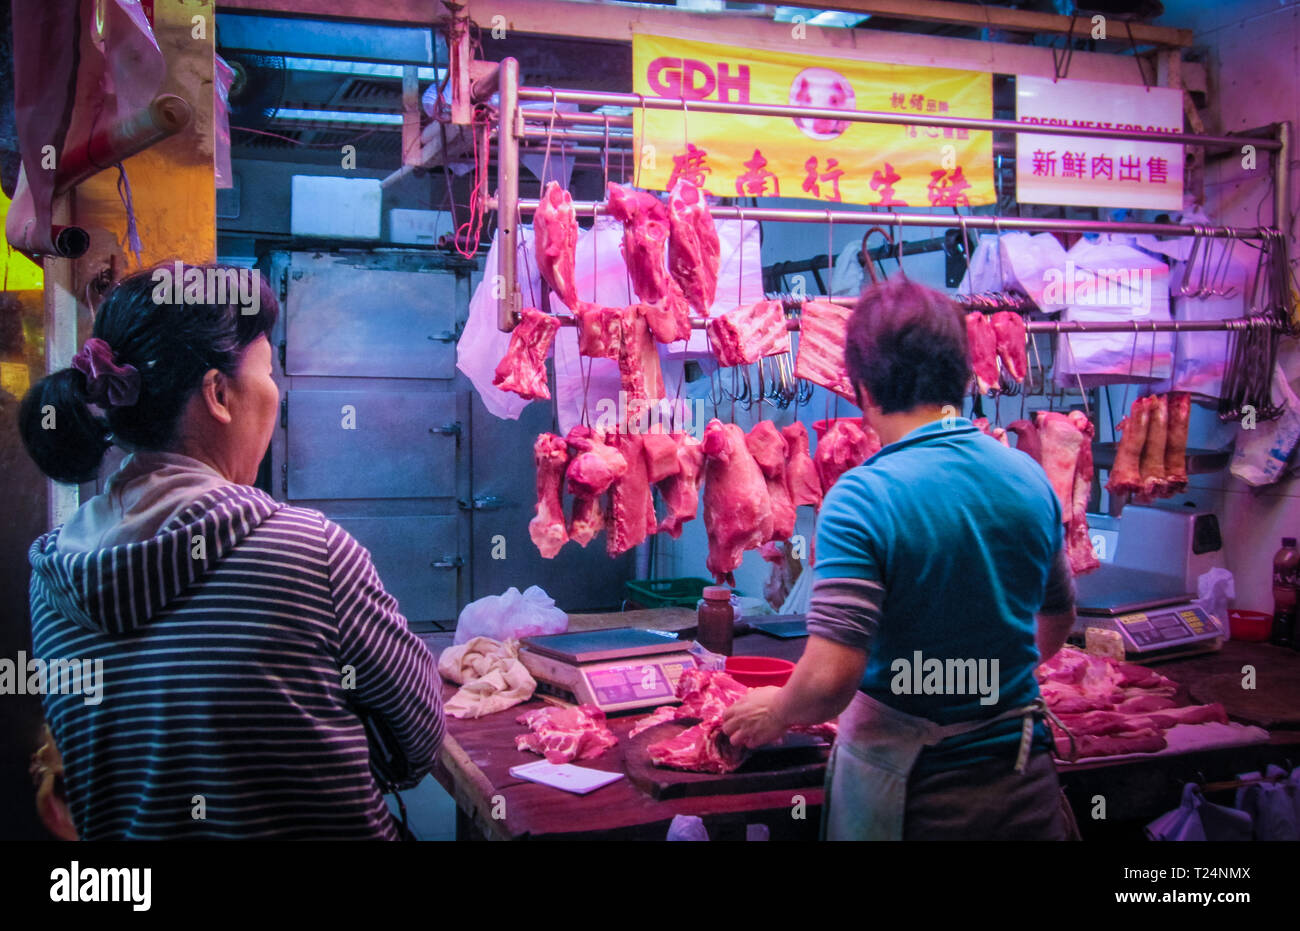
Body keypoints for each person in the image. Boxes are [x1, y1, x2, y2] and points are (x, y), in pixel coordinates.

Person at [19, 266, 443, 840]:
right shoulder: (310, 553)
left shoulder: (51, 578)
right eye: (268, 374)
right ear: (219, 394)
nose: (276, 394)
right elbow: (419, 741)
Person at [722, 278, 1077, 841]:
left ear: (861, 387)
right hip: (1020, 787)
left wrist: (779, 709)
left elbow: (829, 681)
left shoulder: (864, 498)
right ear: (962, 376)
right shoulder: (1028, 478)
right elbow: (1056, 620)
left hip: (915, 800)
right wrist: (983, 679)